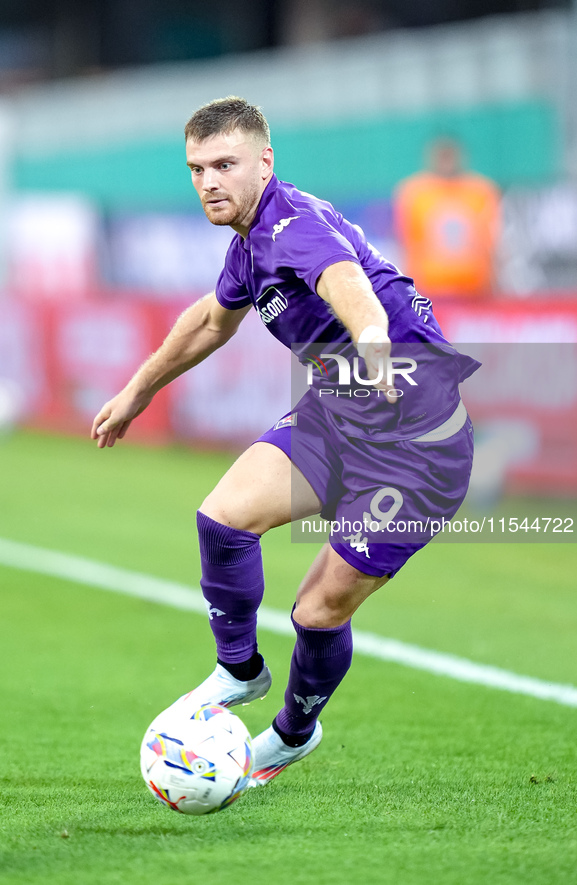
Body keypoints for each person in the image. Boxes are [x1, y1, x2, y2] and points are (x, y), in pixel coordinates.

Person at [91, 97, 480, 787]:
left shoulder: (292, 224)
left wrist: (370, 339)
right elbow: (211, 321)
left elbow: (345, 279)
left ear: (263, 162)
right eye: (197, 168)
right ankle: (239, 668)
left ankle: (293, 734)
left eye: (224, 165)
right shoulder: (246, 245)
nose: (209, 181)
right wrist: (138, 390)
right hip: (343, 412)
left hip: (417, 439)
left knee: (316, 609)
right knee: (223, 516)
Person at [394, 136, 501, 301]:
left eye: (450, 156)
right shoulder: (415, 193)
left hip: (475, 288)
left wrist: (494, 280)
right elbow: (407, 241)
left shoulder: (480, 191)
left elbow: (490, 239)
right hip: (431, 288)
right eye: (442, 156)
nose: (447, 162)